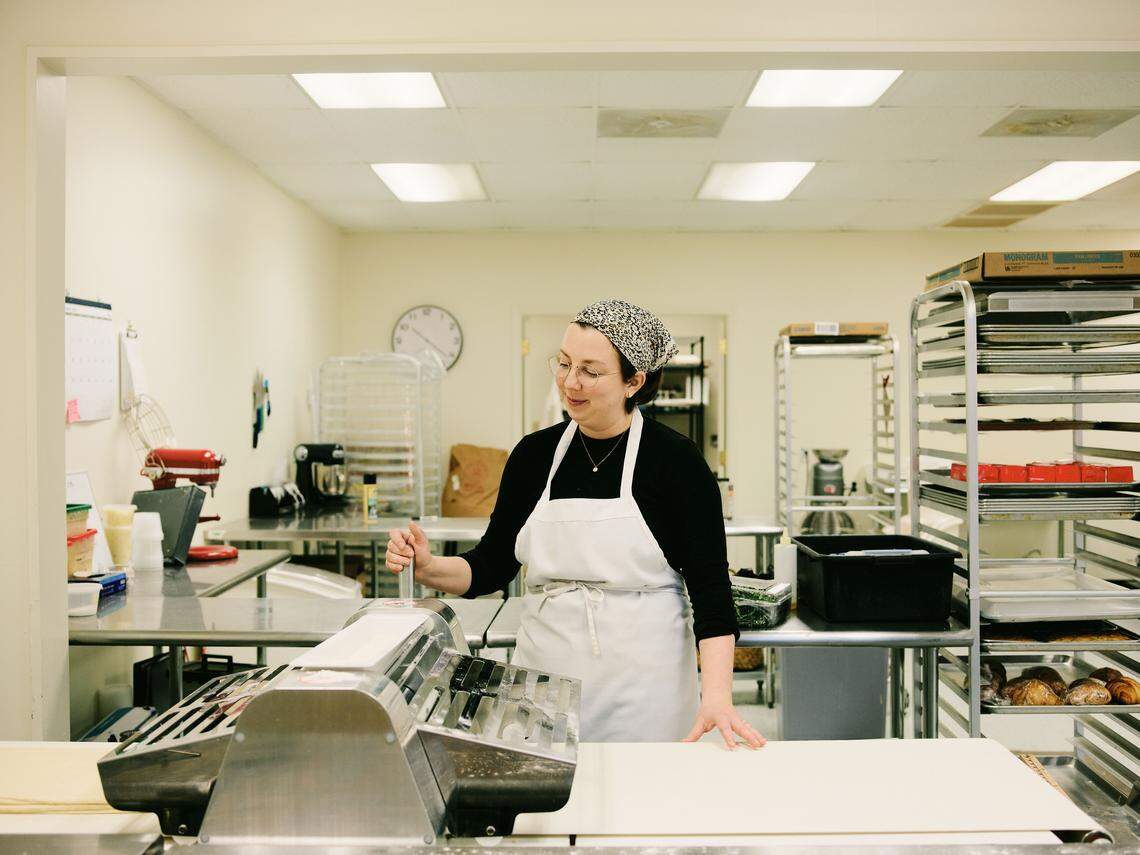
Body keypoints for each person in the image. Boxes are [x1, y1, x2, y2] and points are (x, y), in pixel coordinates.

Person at [388, 299, 764, 750]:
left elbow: (710, 592)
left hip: (646, 686)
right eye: (564, 363)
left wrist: (718, 696)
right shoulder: (533, 456)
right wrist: (427, 566)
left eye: (591, 370)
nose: (570, 382)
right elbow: (491, 564)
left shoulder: (676, 462)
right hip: (545, 681)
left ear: (633, 382)